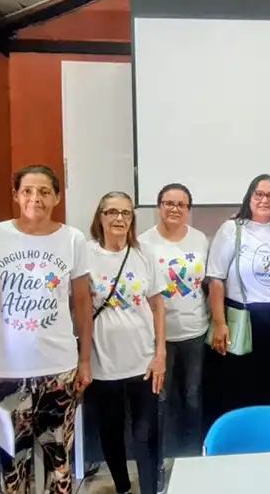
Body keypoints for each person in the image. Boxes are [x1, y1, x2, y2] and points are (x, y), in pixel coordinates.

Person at [0, 165, 93, 494]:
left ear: (56, 196)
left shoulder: (73, 239)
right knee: (12, 462)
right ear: (16, 195)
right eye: (27, 191)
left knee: (59, 462)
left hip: (58, 368)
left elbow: (82, 303)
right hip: (5, 371)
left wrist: (84, 361)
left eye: (43, 192)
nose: (35, 198)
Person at [86, 191, 167, 494]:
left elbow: (158, 305)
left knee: (145, 432)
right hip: (102, 361)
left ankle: (149, 489)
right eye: (112, 212)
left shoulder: (143, 253)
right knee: (110, 429)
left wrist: (160, 353)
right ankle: (121, 486)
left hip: (143, 360)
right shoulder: (85, 252)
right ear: (101, 217)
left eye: (126, 213)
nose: (119, 219)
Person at [205, 174, 270, 425]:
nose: (264, 200)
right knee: (243, 388)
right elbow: (215, 279)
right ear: (249, 197)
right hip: (243, 319)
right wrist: (220, 322)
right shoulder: (233, 228)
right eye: (259, 194)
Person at [138, 184, 209, 486]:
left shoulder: (200, 239)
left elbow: (206, 283)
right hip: (159, 338)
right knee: (161, 400)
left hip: (195, 331)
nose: (174, 209)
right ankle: (161, 461)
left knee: (193, 397)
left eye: (181, 204)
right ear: (158, 207)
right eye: (168, 203)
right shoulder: (144, 243)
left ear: (188, 208)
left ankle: (194, 458)